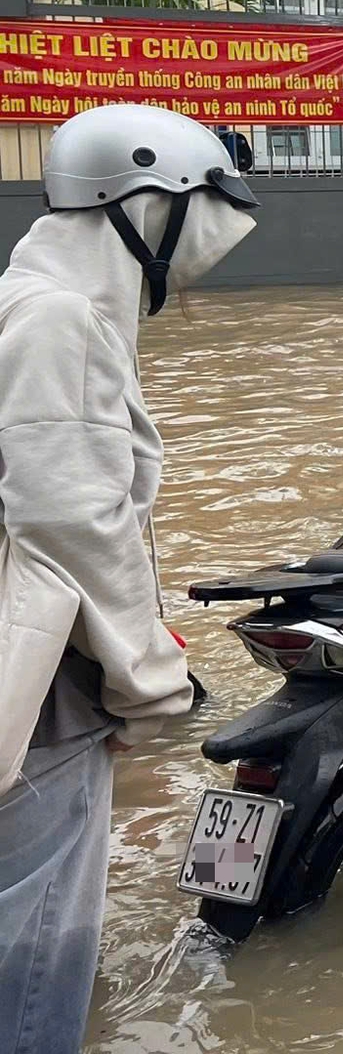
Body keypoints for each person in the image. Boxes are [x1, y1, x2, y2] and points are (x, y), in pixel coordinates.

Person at [0, 106, 259, 1052]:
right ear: (147, 208)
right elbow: (71, 521)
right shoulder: (61, 319)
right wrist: (146, 678)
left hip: (39, 665)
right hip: (41, 694)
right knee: (36, 949)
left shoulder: (32, 298)